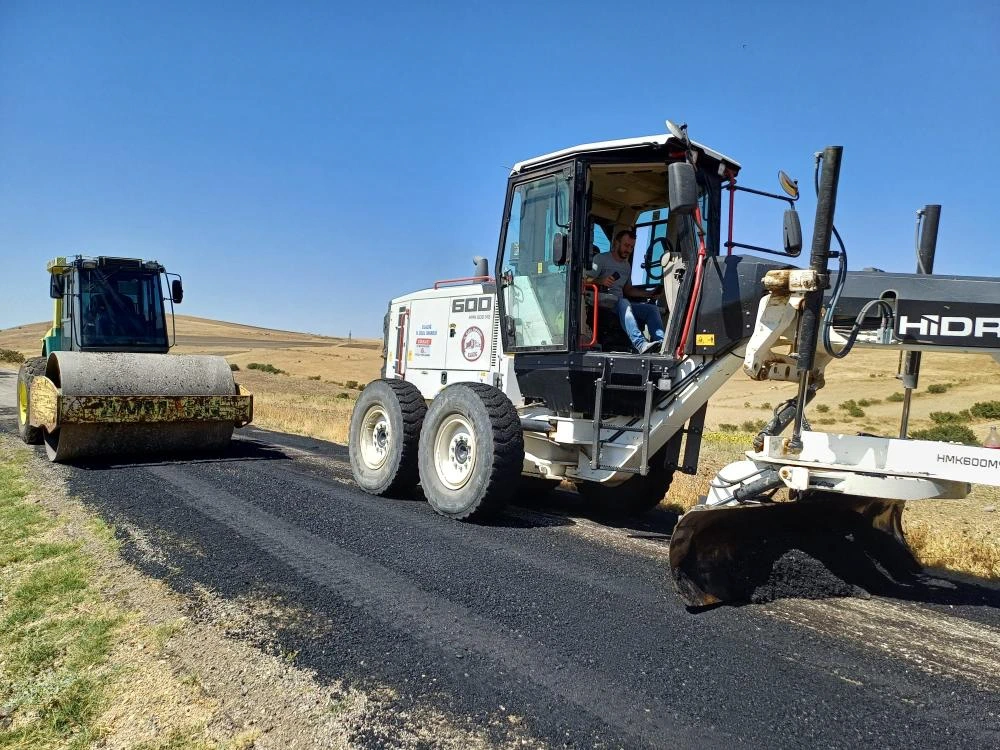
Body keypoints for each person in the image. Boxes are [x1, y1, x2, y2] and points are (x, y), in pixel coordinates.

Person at [590, 228, 664, 354]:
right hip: (604, 302)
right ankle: (640, 344)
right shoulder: (600, 259)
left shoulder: (626, 265)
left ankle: (662, 344)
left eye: (631, 247)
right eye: (626, 245)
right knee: (624, 302)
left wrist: (649, 294)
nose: (629, 250)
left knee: (652, 309)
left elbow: (628, 290)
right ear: (616, 243)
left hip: (621, 303)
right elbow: (585, 280)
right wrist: (601, 281)